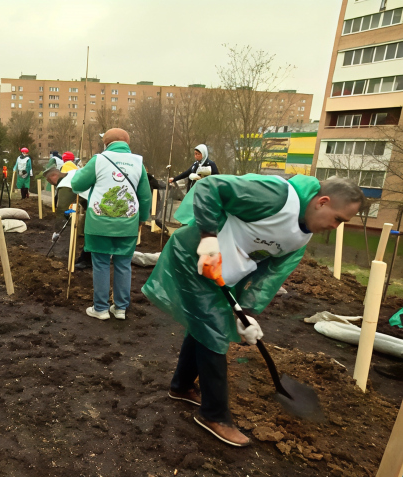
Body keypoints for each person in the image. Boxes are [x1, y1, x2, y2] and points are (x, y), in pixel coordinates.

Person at [142, 175, 365, 447]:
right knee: (213, 328)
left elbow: (269, 276)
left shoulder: (300, 239)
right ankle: (214, 415)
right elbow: (210, 187)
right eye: (338, 219)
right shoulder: (276, 196)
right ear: (323, 202)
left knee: (206, 324)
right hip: (195, 256)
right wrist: (209, 238)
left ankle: (181, 386)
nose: (335, 227)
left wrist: (247, 312)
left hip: (226, 271)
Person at [71, 128, 151, 321]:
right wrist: (141, 219)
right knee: (124, 264)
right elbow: (145, 196)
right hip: (128, 223)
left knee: (101, 264)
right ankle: (121, 308)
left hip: (99, 223)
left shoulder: (98, 160)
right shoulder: (138, 163)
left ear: (106, 143)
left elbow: (77, 185)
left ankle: (100, 308)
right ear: (127, 143)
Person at [44, 164, 92, 270]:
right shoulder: (72, 173)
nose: (53, 185)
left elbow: (62, 209)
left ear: (53, 176)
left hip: (99, 207)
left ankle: (86, 259)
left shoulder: (65, 184)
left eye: (50, 182)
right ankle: (87, 258)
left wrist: (58, 232)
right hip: (100, 202)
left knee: (93, 229)